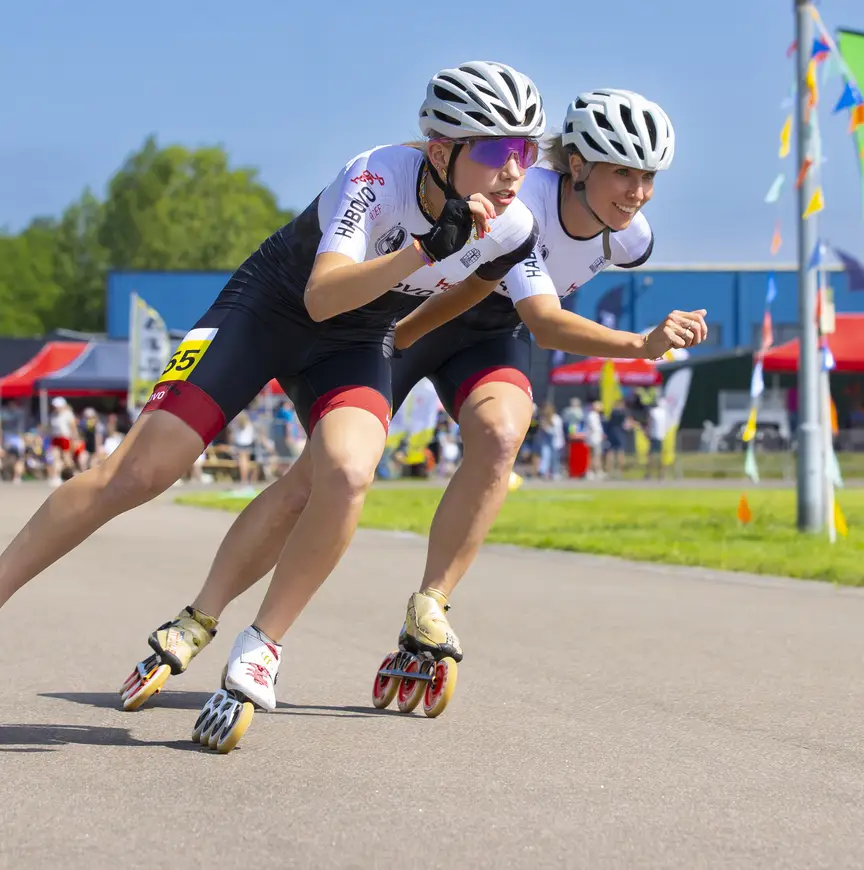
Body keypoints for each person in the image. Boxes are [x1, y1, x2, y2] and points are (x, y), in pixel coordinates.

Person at [114, 88, 707, 728]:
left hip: (489, 334)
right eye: (623, 173)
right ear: (578, 166)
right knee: (315, 482)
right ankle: (199, 615)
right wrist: (640, 345)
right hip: (416, 323)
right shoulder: (522, 198)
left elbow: (521, 317)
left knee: (502, 435)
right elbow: (545, 319)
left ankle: (431, 602)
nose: (637, 192)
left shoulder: (630, 238)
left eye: (649, 178)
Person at [73, 60, 544, 748]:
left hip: (395, 328)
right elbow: (331, 287)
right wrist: (637, 341)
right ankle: (201, 615)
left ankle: (300, 633)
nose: (516, 167)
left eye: (528, 150)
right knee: (290, 484)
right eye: (501, 149)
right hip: (332, 306)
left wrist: (411, 329)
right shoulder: (391, 174)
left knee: (348, 473)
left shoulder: (588, 230)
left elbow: (496, 290)